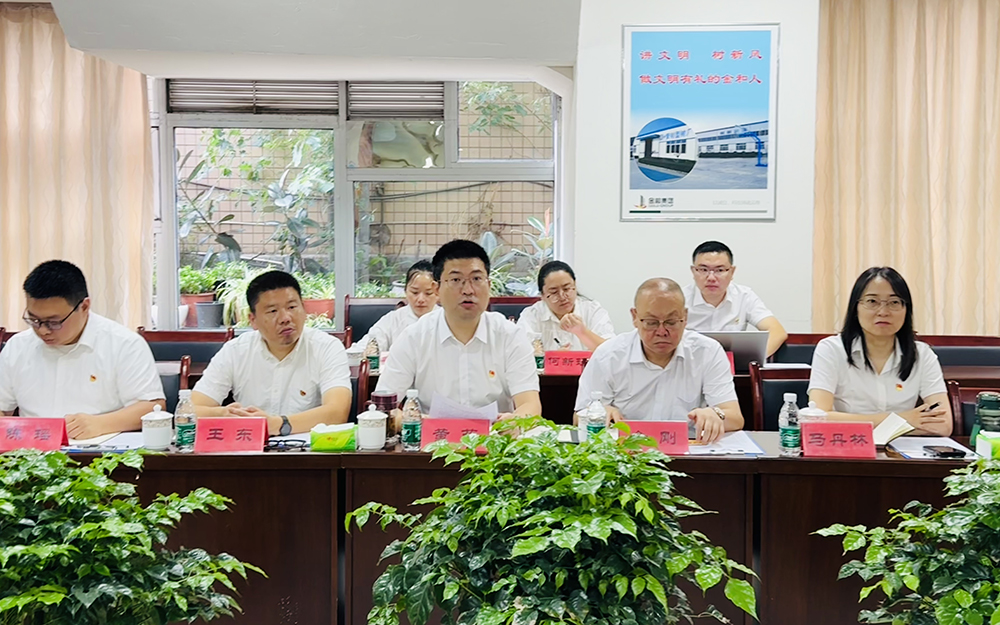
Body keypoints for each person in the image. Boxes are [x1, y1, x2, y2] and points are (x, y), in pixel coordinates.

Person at [375, 239, 541, 418]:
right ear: (437, 289)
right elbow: (383, 407)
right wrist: (417, 421)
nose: (468, 290)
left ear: (489, 285)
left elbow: (530, 405)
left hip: (495, 434)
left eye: (476, 279)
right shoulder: (413, 337)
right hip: (432, 435)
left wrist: (513, 421)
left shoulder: (510, 336)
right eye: (456, 280)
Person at [0, 260, 165, 438]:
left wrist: (101, 423)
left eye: (53, 322)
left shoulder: (124, 344)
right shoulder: (17, 347)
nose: (42, 330)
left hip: (101, 450)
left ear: (84, 306)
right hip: (32, 450)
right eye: (34, 320)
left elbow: (152, 406)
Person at [575, 278, 744, 443]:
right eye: (651, 322)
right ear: (635, 317)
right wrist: (600, 413)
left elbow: (735, 417)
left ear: (685, 317)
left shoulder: (708, 352)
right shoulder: (608, 355)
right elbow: (578, 417)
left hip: (690, 449)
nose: (662, 331)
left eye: (671, 322)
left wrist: (716, 415)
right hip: (627, 452)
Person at [191, 270, 352, 435]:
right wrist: (224, 414)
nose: (285, 318)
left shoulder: (327, 347)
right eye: (272, 311)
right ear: (253, 320)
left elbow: (337, 413)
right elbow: (189, 411)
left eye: (292, 307)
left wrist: (276, 424)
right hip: (250, 447)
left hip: (308, 449)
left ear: (304, 310)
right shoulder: (235, 351)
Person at [808, 267, 951, 436]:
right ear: (856, 308)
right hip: (849, 444)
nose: (883, 312)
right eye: (872, 301)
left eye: (894, 302)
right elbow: (817, 418)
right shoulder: (831, 349)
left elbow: (943, 425)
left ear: (906, 310)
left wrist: (853, 422)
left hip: (902, 449)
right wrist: (901, 419)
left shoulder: (922, 354)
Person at [683, 241, 788, 357]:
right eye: (703, 270)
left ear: (732, 272)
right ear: (693, 271)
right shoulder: (679, 299)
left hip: (733, 365)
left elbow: (777, 332)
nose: (711, 278)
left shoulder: (744, 296)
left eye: (720, 270)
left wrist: (751, 360)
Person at [516, 260, 615, 351]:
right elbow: (520, 354)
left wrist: (583, 332)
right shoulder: (531, 315)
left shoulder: (592, 310)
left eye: (567, 289)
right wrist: (554, 359)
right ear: (543, 295)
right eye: (554, 292)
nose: (562, 297)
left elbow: (610, 351)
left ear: (575, 285)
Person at [350, 260, 438, 353]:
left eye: (428, 293)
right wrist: (368, 351)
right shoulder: (393, 319)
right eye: (415, 292)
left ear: (438, 292)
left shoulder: (446, 319)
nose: (420, 299)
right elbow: (367, 345)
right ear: (405, 291)